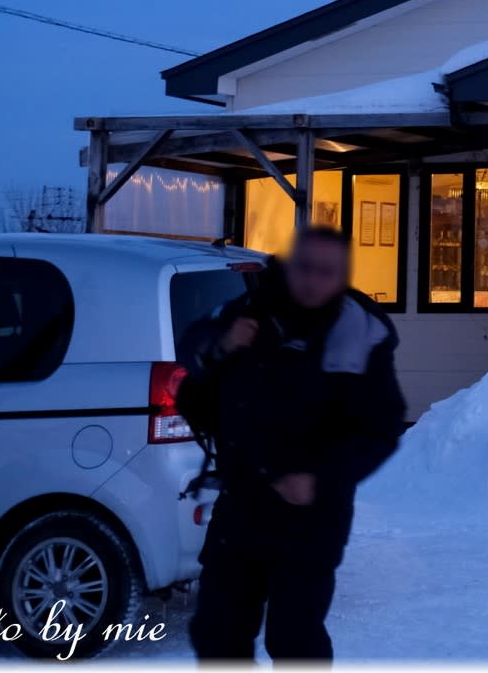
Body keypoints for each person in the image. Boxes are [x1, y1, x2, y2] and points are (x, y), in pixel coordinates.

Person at [178, 225, 406, 663]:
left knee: (294, 641)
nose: (313, 280)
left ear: (342, 276)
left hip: (311, 516)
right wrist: (223, 345)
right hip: (242, 502)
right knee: (218, 634)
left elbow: (381, 427)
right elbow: (193, 345)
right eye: (306, 267)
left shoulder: (361, 331)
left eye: (327, 272)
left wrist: (318, 480)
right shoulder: (251, 307)